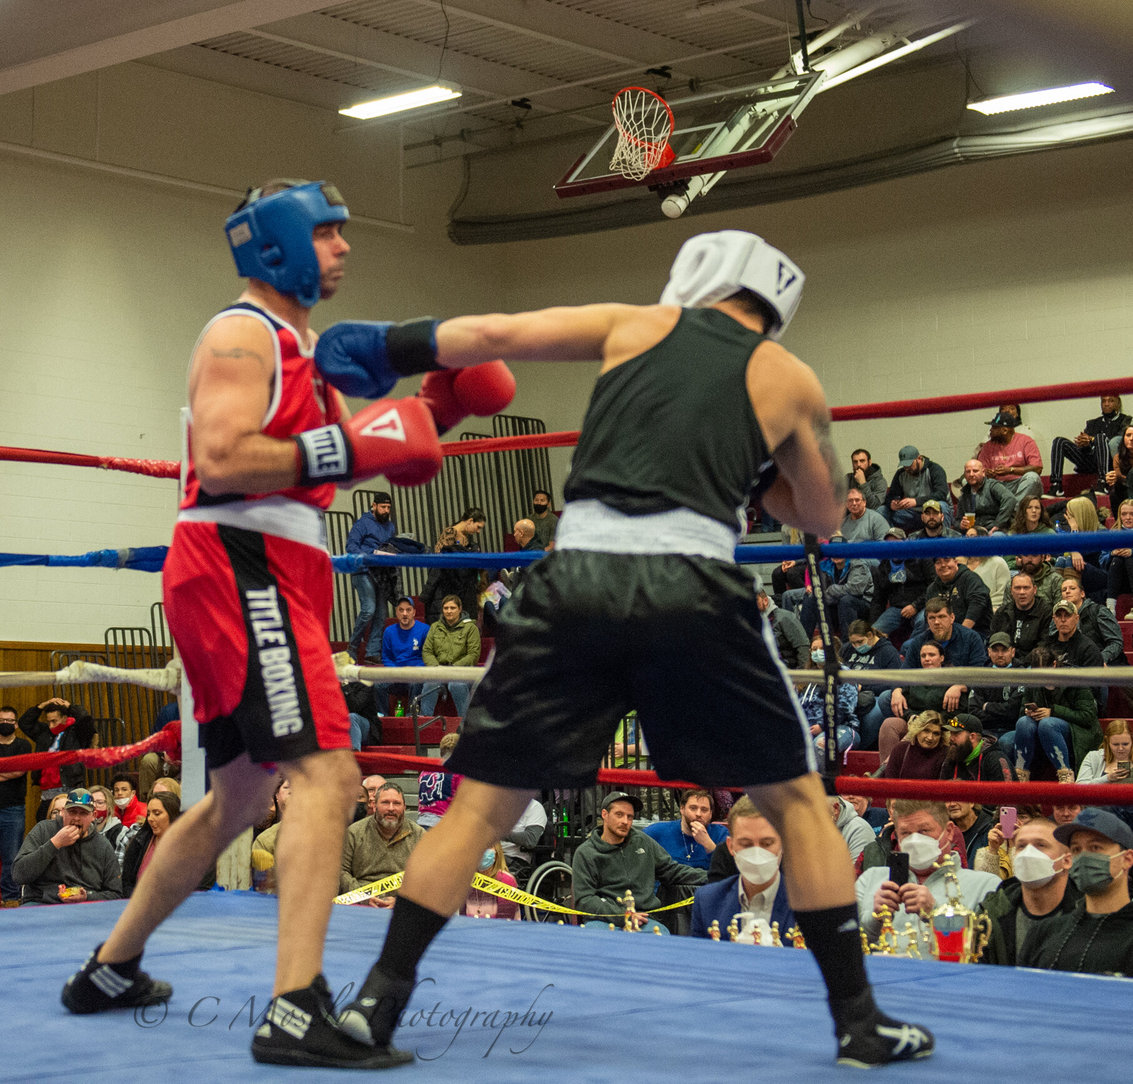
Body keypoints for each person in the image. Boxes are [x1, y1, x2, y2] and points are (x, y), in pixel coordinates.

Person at [333, 229, 934, 1068]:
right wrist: (761, 468)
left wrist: (383, 345)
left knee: (478, 807)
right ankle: (859, 1025)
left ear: (697, 276)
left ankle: (370, 1011)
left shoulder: (634, 324)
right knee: (798, 804)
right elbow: (824, 514)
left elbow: (498, 334)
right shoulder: (787, 377)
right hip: (692, 582)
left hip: (574, 573)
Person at [60, 178, 461, 1070]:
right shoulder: (241, 333)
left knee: (240, 795)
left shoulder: (303, 353)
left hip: (279, 565)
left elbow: (332, 469)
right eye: (327, 232)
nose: (344, 247)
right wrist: (356, 445)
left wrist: (433, 420)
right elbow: (222, 457)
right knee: (328, 771)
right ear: (277, 244)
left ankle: (111, 968)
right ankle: (295, 1008)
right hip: (242, 563)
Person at [857, 800, 1000, 956]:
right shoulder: (870, 879)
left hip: (947, 979)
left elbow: (986, 954)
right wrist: (874, 919)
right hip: (879, 977)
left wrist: (936, 913)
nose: (914, 840)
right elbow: (845, 948)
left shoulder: (986, 886)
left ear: (949, 832)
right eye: (905, 833)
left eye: (924, 831)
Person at [1017, 808, 1133, 975]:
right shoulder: (1044, 933)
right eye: (1077, 849)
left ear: (1127, 859)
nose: (1084, 857)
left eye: (1095, 847)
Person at [571, 792, 706, 930]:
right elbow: (585, 900)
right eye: (619, 814)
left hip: (645, 919)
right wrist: (623, 915)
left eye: (629, 817)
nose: (625, 821)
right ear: (605, 814)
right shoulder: (586, 852)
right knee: (597, 936)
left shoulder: (643, 841)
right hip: (603, 920)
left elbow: (673, 871)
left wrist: (714, 876)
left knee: (661, 937)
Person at [977, 816, 1081, 966]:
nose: (1028, 853)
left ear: (1066, 860)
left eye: (1040, 845)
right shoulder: (991, 914)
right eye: (1021, 846)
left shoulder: (1085, 913)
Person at [690, 796, 794, 941]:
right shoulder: (707, 901)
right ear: (730, 846)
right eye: (746, 844)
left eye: (767, 843)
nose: (757, 853)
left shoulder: (811, 904)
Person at [12, 788, 123, 905]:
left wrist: (88, 897)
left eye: (83, 813)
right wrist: (55, 843)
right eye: (72, 812)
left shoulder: (102, 844)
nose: (76, 818)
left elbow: (115, 893)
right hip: (42, 902)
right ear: (63, 812)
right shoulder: (43, 830)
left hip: (86, 906)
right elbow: (18, 875)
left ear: (93, 815)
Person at [339, 782, 425, 906]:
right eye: (385, 802)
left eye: (396, 803)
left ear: (404, 808)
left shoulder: (419, 835)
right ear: (374, 806)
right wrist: (363, 897)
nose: (391, 808)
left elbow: (426, 879)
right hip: (359, 904)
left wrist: (402, 903)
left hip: (401, 906)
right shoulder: (354, 832)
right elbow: (342, 872)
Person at [345, 491, 401, 663]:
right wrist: (372, 554)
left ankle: (372, 652)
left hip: (381, 572)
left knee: (381, 614)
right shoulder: (362, 523)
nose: (386, 510)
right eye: (383, 507)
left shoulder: (390, 526)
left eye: (388, 507)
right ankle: (353, 647)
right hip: (362, 570)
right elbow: (350, 546)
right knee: (369, 609)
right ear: (374, 505)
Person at [20, 697, 95, 817]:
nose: (51, 725)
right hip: (47, 793)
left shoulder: (76, 733)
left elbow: (86, 721)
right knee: (43, 824)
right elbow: (24, 723)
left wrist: (70, 707)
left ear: (64, 718)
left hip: (69, 789)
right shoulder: (44, 733)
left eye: (54, 721)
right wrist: (41, 706)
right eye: (48, 721)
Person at [1048, 394, 1131, 497]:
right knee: (1059, 441)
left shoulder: (1125, 420)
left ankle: (1102, 482)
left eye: (1111, 401)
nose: (1106, 404)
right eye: (1103, 401)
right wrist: (1084, 443)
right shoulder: (1092, 423)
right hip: (1090, 460)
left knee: (1100, 437)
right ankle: (1056, 485)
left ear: (1118, 403)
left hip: (1110, 461)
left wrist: (1092, 440)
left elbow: (1120, 442)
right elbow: (1086, 450)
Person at [419, 595, 481, 719]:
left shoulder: (471, 628)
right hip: (439, 670)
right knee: (429, 684)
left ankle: (465, 723)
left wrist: (454, 668)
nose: (449, 611)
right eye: (446, 608)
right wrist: (436, 667)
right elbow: (427, 651)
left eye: (452, 608)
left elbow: (473, 654)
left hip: (461, 671)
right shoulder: (435, 627)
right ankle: (424, 723)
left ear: (460, 609)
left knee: (456, 685)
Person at [421, 508, 487, 623]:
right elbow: (439, 560)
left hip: (462, 587)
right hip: (448, 587)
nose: (478, 532)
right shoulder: (450, 533)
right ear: (470, 521)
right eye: (478, 527)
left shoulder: (468, 540)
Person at [371, 595, 429, 717]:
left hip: (415, 673)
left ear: (414, 612)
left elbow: (427, 656)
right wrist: (395, 670)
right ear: (396, 612)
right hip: (397, 674)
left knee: (417, 682)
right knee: (378, 685)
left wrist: (414, 670)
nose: (404, 614)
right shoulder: (389, 631)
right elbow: (386, 657)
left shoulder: (424, 629)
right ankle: (383, 716)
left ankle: (411, 714)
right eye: (401, 610)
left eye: (408, 610)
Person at [643, 788, 729, 872]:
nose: (698, 814)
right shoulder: (657, 832)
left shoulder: (721, 834)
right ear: (682, 809)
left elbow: (730, 871)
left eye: (704, 810)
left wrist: (708, 844)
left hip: (706, 885)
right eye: (693, 808)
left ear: (710, 814)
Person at [0, 704, 32, 906]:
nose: (5, 724)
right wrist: (7, 771)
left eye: (9, 721)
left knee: (12, 856)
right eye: (2, 720)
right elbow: (11, 770)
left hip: (14, 809)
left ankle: (11, 898)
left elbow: (19, 771)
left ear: (16, 724)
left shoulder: (23, 746)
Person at [976, 409, 1043, 501]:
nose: (990, 430)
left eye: (994, 427)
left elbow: (1037, 468)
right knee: (975, 481)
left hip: (1019, 485)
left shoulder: (1026, 441)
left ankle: (1013, 510)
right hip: (997, 486)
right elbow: (979, 469)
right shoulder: (988, 446)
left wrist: (1010, 470)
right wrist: (986, 473)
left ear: (1004, 430)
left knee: (1033, 478)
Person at [884, 447, 952, 531]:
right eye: (904, 465)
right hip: (911, 514)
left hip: (932, 512)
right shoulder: (901, 474)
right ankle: (889, 540)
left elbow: (941, 494)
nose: (907, 468)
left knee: (942, 506)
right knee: (883, 510)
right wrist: (892, 504)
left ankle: (945, 540)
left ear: (919, 458)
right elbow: (890, 496)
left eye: (909, 464)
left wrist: (916, 502)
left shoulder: (934, 469)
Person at [882, 711, 948, 780]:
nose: (930, 737)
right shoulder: (901, 749)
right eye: (926, 731)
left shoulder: (946, 754)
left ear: (941, 736)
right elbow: (890, 782)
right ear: (918, 730)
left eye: (936, 733)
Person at [957, 459, 1015, 533]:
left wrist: (998, 524)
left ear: (983, 473)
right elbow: (957, 520)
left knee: (997, 537)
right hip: (973, 532)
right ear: (965, 475)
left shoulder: (992, 485)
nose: (971, 474)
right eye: (968, 471)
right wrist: (961, 525)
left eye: (975, 471)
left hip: (994, 530)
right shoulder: (964, 492)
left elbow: (1010, 499)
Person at [463, 842, 518, 919]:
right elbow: (462, 919)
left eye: (488, 847)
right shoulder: (466, 880)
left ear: (496, 853)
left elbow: (504, 921)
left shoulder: (506, 881)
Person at [1077, 718, 1133, 785]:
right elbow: (1080, 787)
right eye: (1115, 744)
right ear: (1107, 742)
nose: (1120, 748)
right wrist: (1107, 778)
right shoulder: (1093, 757)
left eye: (1125, 744)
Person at [1105, 499, 1133, 617]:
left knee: (1129, 559)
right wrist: (1113, 553)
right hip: (1117, 577)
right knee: (1117, 559)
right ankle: (1110, 609)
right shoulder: (1113, 534)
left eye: (1132, 514)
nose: (1128, 517)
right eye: (1124, 514)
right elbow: (1102, 560)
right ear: (1119, 516)